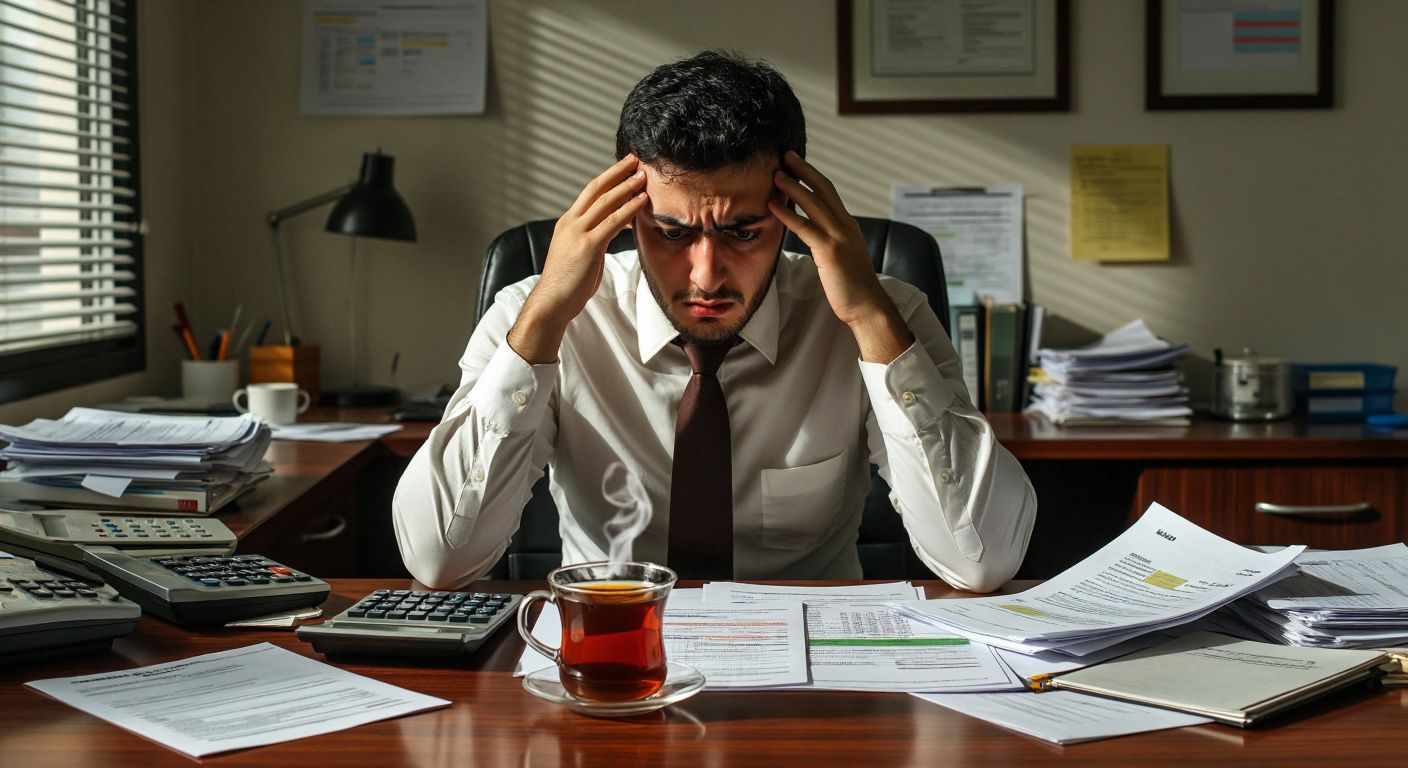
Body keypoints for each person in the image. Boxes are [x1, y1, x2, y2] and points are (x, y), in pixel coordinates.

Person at [393, 51, 1036, 591]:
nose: (705, 275)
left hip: (816, 678)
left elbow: (980, 561)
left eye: (743, 232)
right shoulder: (534, 316)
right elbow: (439, 561)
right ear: (626, 213)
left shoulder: (882, 315)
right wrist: (541, 326)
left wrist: (870, 317)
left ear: (796, 210)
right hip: (608, 654)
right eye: (670, 232)